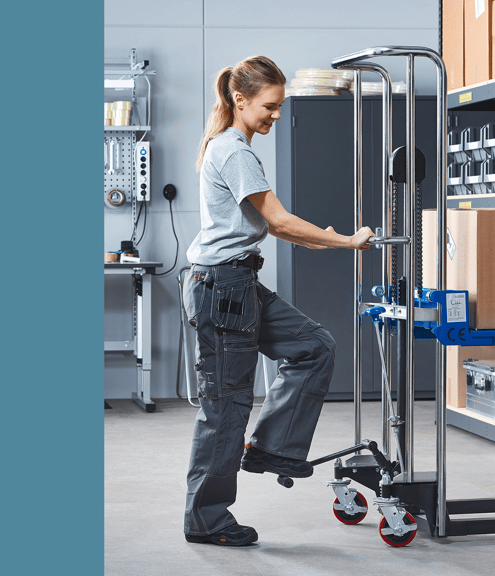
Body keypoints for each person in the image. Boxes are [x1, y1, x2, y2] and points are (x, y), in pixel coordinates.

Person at [182, 55, 374, 547]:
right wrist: (348, 242)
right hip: (222, 289)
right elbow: (280, 220)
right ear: (239, 100)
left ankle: (272, 448)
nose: (276, 115)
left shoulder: (234, 146)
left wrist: (323, 239)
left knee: (314, 346)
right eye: (269, 106)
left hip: (238, 285)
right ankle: (206, 519)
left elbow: (269, 226)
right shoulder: (234, 151)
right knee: (225, 408)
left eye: (280, 107)